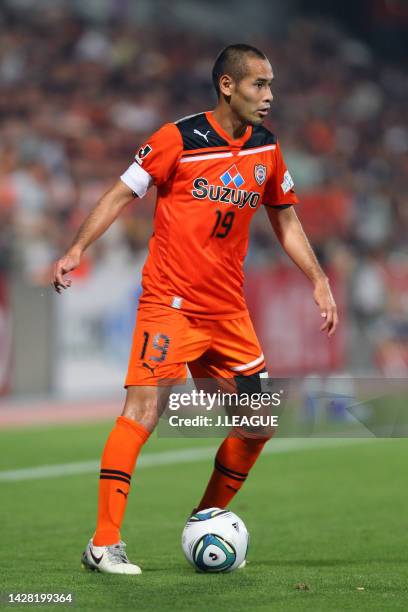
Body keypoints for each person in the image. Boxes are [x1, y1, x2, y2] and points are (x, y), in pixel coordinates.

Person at [53, 43, 338, 575]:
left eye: (271, 85)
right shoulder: (176, 139)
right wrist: (76, 249)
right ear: (227, 86)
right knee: (142, 413)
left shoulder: (267, 149)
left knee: (258, 424)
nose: (269, 96)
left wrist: (318, 280)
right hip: (171, 304)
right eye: (259, 85)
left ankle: (206, 516)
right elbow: (119, 194)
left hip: (229, 313)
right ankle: (103, 543)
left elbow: (287, 220)